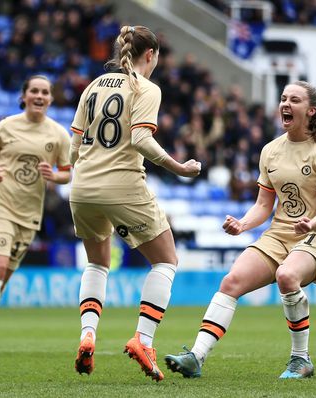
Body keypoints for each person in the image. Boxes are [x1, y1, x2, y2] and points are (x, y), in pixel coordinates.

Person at [165, 81, 316, 379]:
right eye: (283, 98)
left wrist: (311, 223)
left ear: (311, 111)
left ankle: (301, 360)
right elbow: (263, 205)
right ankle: (196, 357)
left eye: (295, 100)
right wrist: (242, 224)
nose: (286, 104)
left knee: (287, 276)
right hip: (279, 234)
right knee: (232, 281)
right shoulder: (270, 150)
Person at [70, 25, 201, 382]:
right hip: (122, 185)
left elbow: (74, 143)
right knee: (166, 261)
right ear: (151, 55)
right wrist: (179, 167)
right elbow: (141, 139)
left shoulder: (93, 86)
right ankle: (143, 339)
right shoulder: (145, 88)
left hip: (81, 188)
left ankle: (88, 334)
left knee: (97, 264)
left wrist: (71, 172)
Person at [0, 75, 72, 357]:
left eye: (44, 92)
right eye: (33, 90)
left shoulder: (59, 135)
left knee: (2, 278)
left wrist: (54, 176)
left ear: (49, 99)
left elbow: (68, 173)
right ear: (24, 96)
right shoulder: (6, 126)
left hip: (29, 215)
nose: (39, 95)